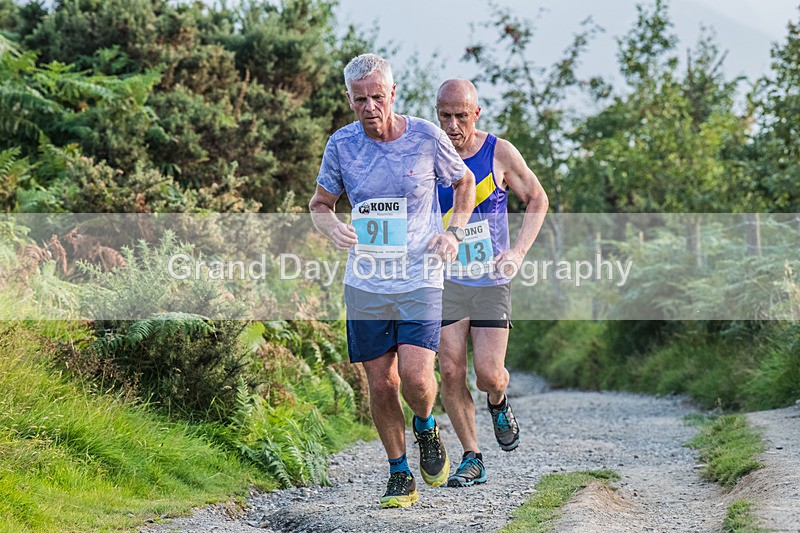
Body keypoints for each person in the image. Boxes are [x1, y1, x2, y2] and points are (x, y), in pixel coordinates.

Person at [309, 55, 476, 508]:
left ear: (393, 94)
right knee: (381, 384)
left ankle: (425, 424)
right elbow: (320, 204)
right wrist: (334, 227)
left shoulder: (425, 136)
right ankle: (399, 473)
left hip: (420, 276)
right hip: (366, 281)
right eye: (359, 99)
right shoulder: (341, 145)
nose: (369, 107)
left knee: (419, 381)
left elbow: (465, 183)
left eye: (377, 97)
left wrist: (454, 231)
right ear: (349, 98)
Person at [435, 79, 548, 487]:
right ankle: (472, 456)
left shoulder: (498, 151)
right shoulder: (427, 151)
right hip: (445, 279)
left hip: (489, 279)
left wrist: (516, 253)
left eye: (460, 116)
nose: (451, 126)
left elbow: (537, 198)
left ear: (476, 114)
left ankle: (498, 400)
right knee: (449, 370)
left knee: (488, 374)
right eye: (444, 115)